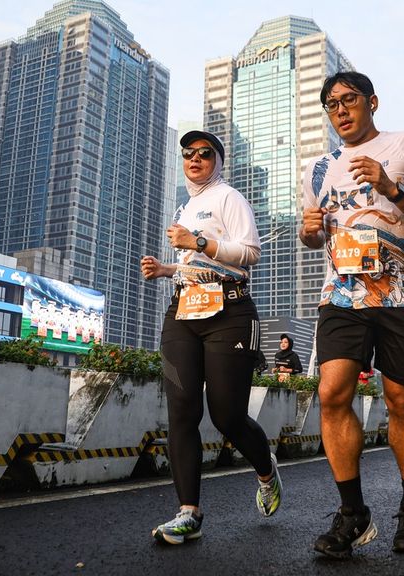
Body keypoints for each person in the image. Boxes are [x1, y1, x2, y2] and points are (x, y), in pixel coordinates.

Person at [299, 71, 404, 557]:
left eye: (349, 100)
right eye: (331, 104)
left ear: (372, 102)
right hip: (344, 295)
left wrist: (392, 189)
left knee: (402, 402)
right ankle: (352, 513)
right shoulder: (319, 169)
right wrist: (308, 230)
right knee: (332, 392)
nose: (340, 110)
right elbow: (313, 236)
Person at [140, 130, 282, 545]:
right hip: (183, 312)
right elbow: (197, 264)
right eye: (189, 154)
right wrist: (166, 269)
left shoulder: (228, 198)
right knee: (181, 409)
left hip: (230, 313)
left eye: (205, 153)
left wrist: (197, 240)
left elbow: (249, 254)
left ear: (218, 161)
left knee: (227, 416)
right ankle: (189, 513)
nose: (195, 158)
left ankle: (266, 471)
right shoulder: (187, 205)